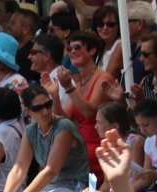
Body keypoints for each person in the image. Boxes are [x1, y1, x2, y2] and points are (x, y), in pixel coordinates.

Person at [45, 30, 110, 179]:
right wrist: (55, 96)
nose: (72, 51)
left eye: (77, 47)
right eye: (69, 49)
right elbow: (63, 119)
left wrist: (68, 88)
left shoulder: (103, 77)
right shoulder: (79, 84)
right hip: (81, 149)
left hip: (98, 148)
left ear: (92, 50)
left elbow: (90, 112)